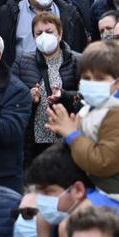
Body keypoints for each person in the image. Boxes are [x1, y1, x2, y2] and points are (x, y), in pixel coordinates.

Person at [42, 40, 119, 220]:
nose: (90, 84)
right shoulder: (94, 107)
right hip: (105, 187)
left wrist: (72, 134)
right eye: (86, 78)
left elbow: (102, 162)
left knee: (71, 220)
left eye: (99, 79)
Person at [10, 13, 79, 157]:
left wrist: (64, 95)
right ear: (34, 37)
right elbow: (11, 97)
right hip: (34, 140)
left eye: (49, 32)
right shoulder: (22, 61)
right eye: (39, 33)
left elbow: (86, 95)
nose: (44, 36)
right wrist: (29, 98)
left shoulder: (77, 61)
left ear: (59, 34)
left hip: (68, 137)